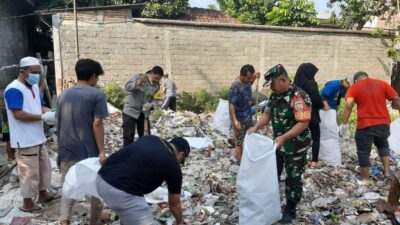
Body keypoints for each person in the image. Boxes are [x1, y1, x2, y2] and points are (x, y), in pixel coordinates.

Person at [248, 64, 312, 223]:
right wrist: (255, 127)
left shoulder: (299, 97)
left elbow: (303, 123)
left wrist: (284, 137)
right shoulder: (276, 95)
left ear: (283, 80)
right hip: (277, 144)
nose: (271, 88)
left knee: (293, 177)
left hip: (296, 146)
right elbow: (267, 114)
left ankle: (291, 208)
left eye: (273, 84)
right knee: (272, 174)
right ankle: (271, 203)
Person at [57, 59, 109, 225]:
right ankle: (94, 221)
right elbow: (97, 123)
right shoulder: (97, 95)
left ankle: (64, 220)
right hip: (88, 152)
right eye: (97, 77)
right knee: (96, 189)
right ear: (93, 76)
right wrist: (102, 151)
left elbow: (59, 123)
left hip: (67, 149)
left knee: (68, 186)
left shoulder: (63, 95)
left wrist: (59, 152)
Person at [96, 135, 190, 225]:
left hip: (101, 179)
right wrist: (179, 222)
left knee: (129, 217)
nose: (179, 164)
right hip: (122, 192)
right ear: (181, 155)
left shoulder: (151, 138)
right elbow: (174, 204)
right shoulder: (173, 166)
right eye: (181, 161)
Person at [4, 56, 57, 212]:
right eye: (34, 72)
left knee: (43, 168)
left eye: (38, 72)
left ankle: (43, 193)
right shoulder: (14, 89)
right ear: (23, 71)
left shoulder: (33, 87)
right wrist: (42, 117)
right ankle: (27, 203)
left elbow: (40, 106)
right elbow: (18, 114)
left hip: (38, 136)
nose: (37, 76)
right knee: (29, 173)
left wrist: (53, 112)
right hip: (25, 139)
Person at [341, 71, 400, 180]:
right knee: (383, 146)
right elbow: (396, 98)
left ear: (355, 80)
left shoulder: (354, 87)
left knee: (363, 151)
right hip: (383, 123)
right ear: (367, 77)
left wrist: (344, 124)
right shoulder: (382, 83)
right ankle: (387, 173)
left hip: (365, 125)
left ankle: (366, 179)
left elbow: (349, 106)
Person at [122, 67, 163, 147]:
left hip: (144, 113)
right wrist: (138, 82)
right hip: (130, 111)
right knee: (128, 136)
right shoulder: (138, 77)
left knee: (145, 136)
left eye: (159, 79)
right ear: (151, 73)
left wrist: (151, 104)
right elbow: (127, 87)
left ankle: (143, 155)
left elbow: (157, 99)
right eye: (156, 78)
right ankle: (127, 156)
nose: (157, 81)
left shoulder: (157, 85)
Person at [293, 63, 324, 168]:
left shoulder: (295, 84)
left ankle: (301, 159)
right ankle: (314, 161)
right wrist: (321, 105)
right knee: (316, 137)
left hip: (299, 114)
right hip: (312, 114)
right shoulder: (311, 83)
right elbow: (316, 99)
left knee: (301, 137)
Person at [228, 64, 257, 163]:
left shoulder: (247, 82)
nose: (250, 80)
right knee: (239, 141)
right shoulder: (235, 86)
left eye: (251, 78)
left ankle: (247, 156)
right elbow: (231, 104)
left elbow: (250, 83)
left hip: (248, 115)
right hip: (239, 118)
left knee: (250, 136)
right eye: (248, 78)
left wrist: (255, 77)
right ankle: (240, 162)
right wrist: (235, 120)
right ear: (242, 75)